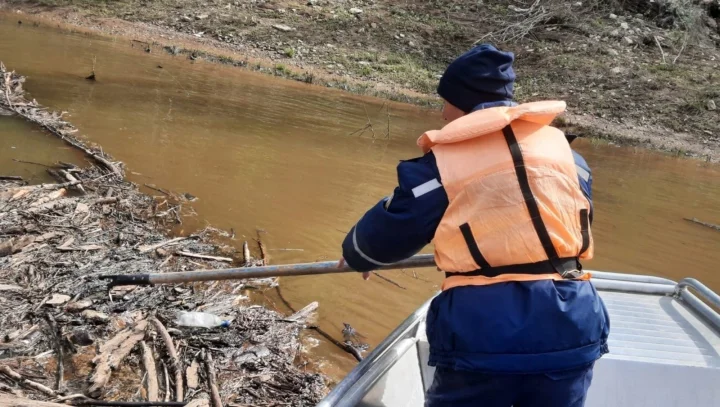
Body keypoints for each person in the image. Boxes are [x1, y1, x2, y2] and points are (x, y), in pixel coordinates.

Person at [339, 44, 610, 407]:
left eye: (445, 101)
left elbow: (390, 232)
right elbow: (570, 221)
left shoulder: (444, 162)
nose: (442, 112)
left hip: (485, 332)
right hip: (572, 323)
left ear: (460, 102)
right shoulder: (566, 154)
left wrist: (359, 255)